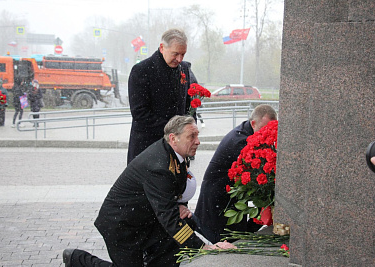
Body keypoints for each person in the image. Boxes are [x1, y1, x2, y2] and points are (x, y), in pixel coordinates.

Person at [62, 115, 236, 267]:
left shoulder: (174, 154)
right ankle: (77, 259)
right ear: (173, 138)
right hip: (121, 226)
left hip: (143, 220)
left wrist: (180, 206)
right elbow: (168, 218)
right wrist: (204, 247)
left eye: (197, 135)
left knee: (178, 232)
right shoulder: (159, 167)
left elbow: (173, 193)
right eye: (192, 136)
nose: (197, 141)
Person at [194, 104, 278, 243]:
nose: (267, 134)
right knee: (223, 241)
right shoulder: (240, 141)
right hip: (219, 199)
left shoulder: (246, 131)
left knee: (234, 237)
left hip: (229, 197)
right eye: (265, 129)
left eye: (271, 129)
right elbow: (257, 173)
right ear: (253, 123)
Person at [127, 28, 195, 164]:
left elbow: (188, 104)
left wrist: (190, 128)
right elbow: (140, 113)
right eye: (175, 54)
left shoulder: (184, 69)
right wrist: (174, 131)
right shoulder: (142, 71)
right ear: (162, 47)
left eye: (183, 54)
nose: (179, 59)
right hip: (148, 146)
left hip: (177, 148)